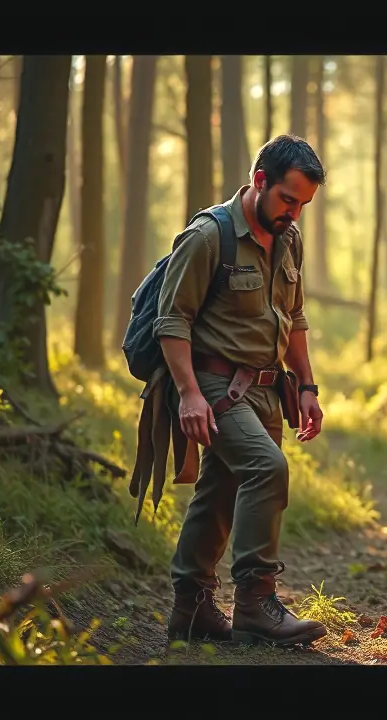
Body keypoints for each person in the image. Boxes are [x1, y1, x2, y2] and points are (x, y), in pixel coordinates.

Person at [156, 134, 328, 646]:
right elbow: (172, 321)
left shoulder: (289, 238)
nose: (295, 213)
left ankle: (191, 608)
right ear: (259, 182)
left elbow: (293, 318)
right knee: (266, 469)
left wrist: (307, 386)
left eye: (304, 204)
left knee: (223, 488)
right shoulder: (209, 237)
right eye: (288, 199)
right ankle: (255, 601)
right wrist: (188, 393)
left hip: (265, 388)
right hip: (210, 381)